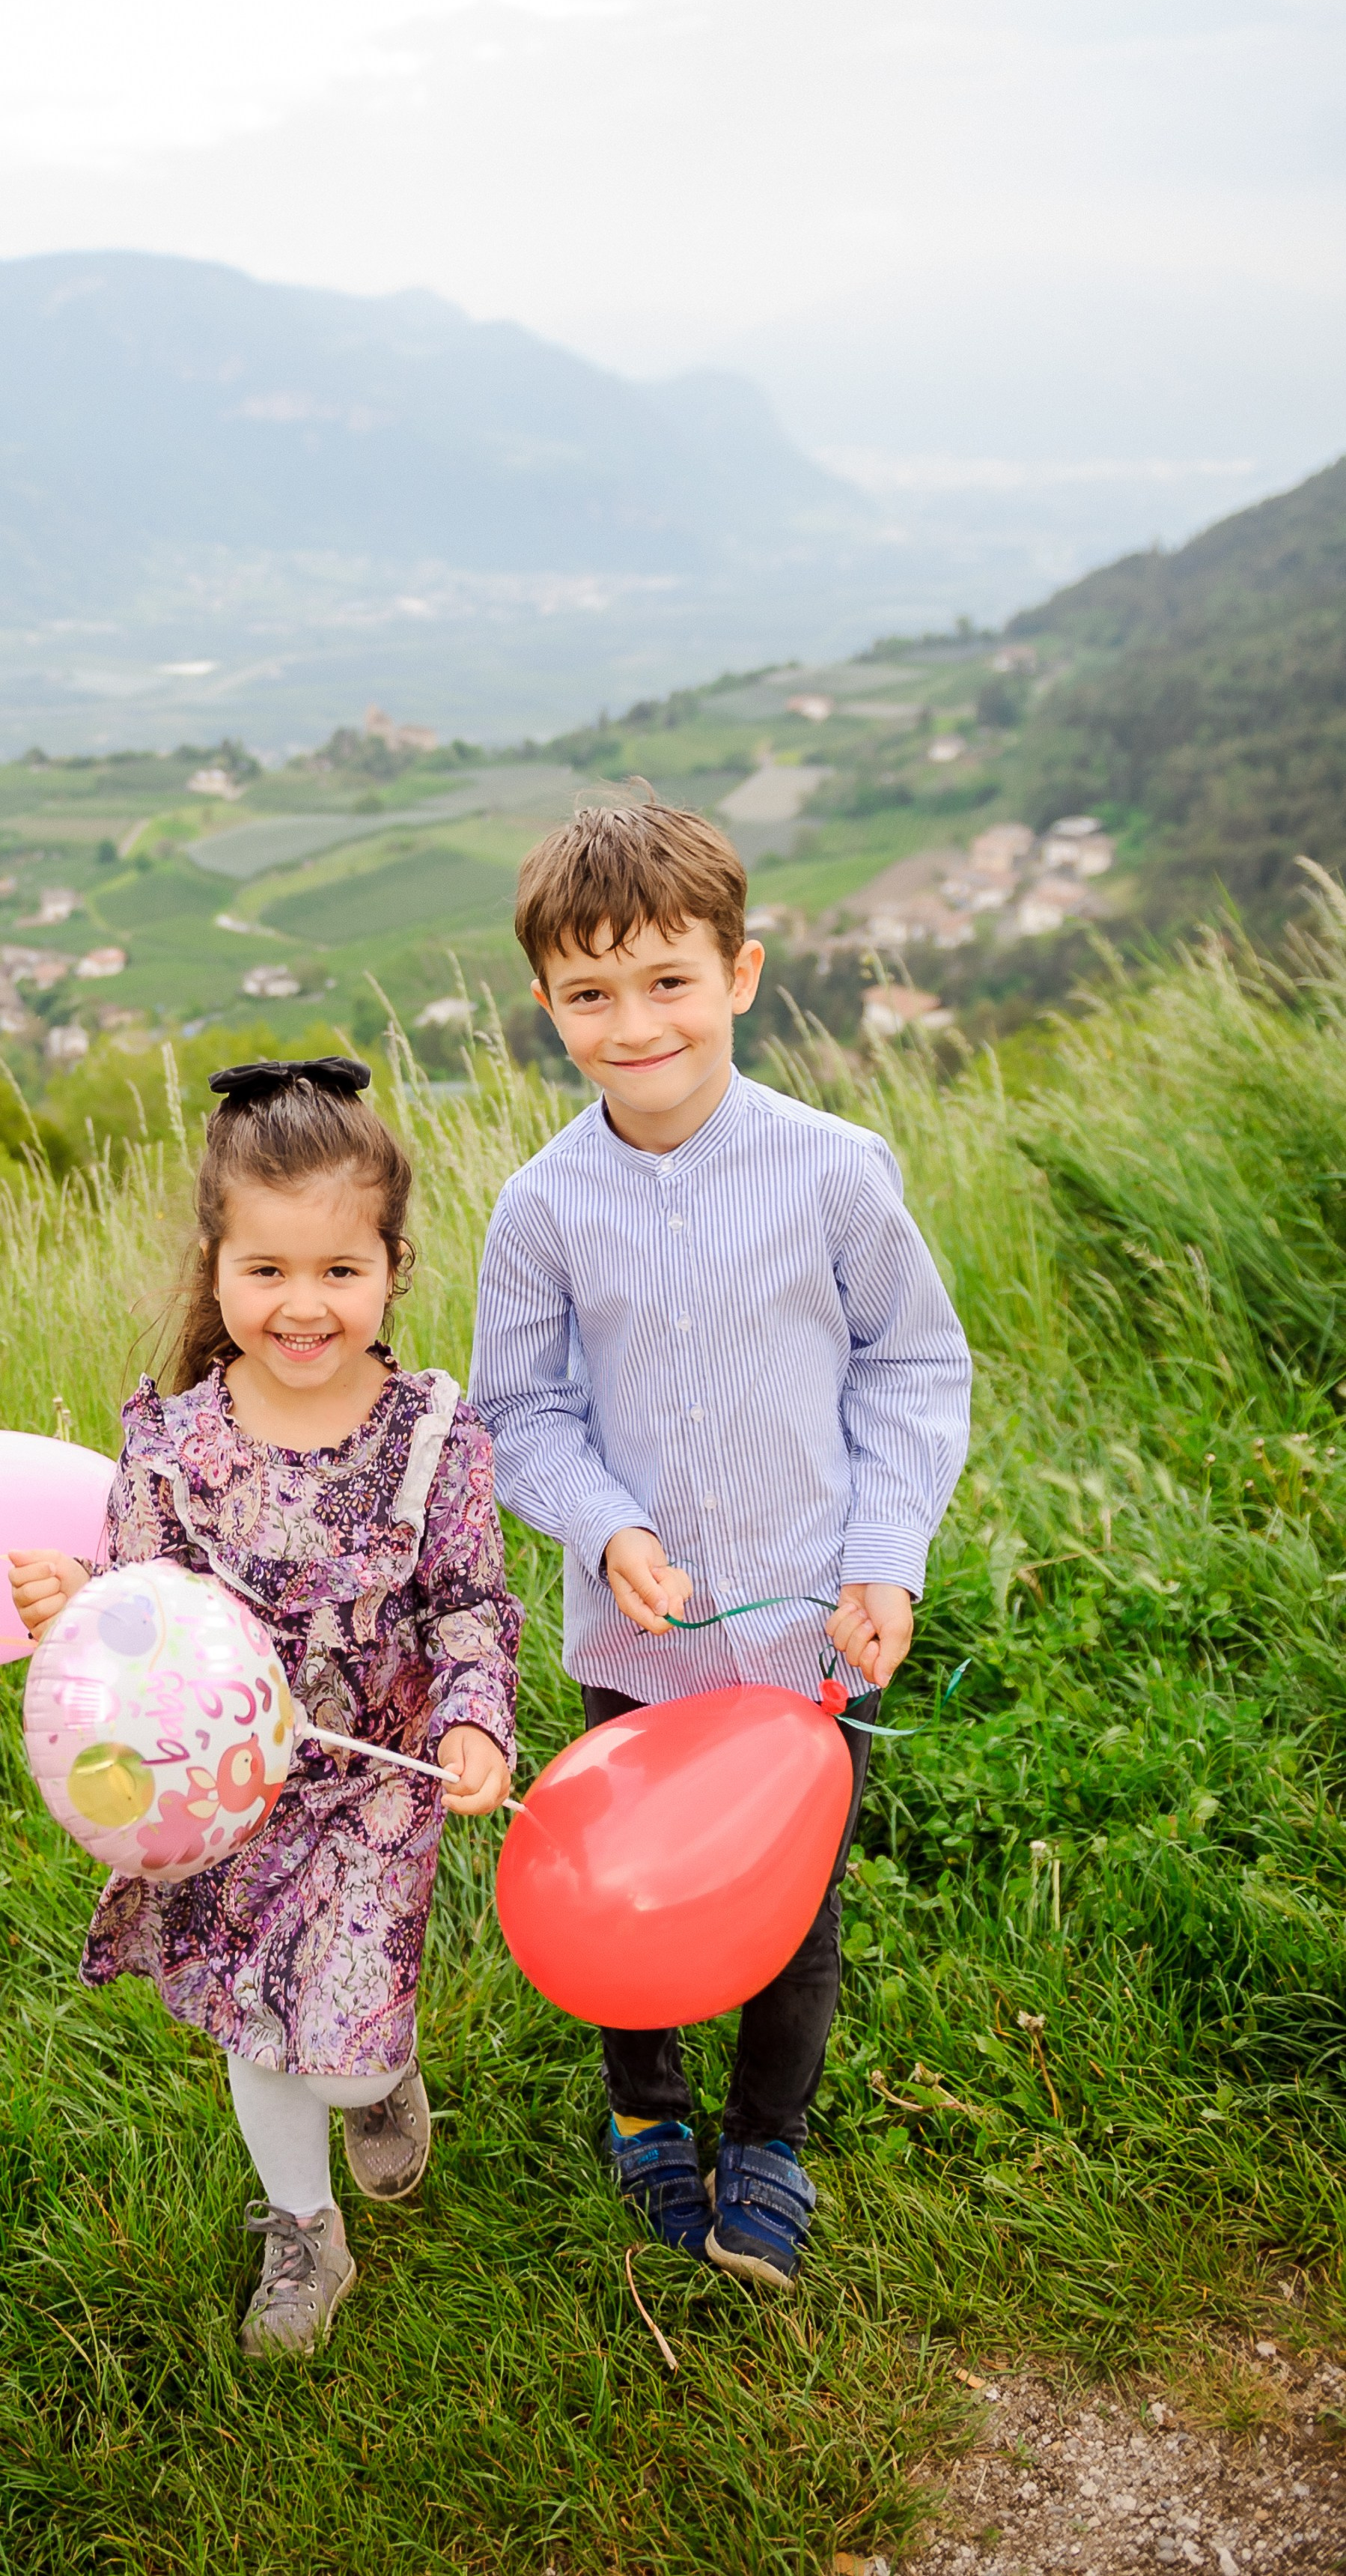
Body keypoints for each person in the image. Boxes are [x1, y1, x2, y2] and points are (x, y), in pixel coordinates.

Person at [469, 789, 970, 2290]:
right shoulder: (542, 1204)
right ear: (548, 1003)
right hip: (640, 1641)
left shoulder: (831, 1166)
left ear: (740, 976)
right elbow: (518, 1409)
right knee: (627, 1884)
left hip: (814, 1633)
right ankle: (646, 2105)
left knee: (791, 1908)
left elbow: (913, 1362)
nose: (637, 1022)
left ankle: (766, 2135)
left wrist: (887, 1556)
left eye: (670, 980)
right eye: (592, 992)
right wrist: (606, 1521)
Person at [10, 1057, 519, 2359]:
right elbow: (137, 1617)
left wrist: (473, 1719)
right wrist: (75, 1599)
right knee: (254, 2020)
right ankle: (304, 2227)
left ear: (394, 1266)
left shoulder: (431, 1438)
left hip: (371, 1788)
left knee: (337, 2050)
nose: (303, 1307)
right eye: (268, 1273)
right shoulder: (172, 1445)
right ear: (217, 1267)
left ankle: (380, 2074)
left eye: (339, 1273)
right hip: (219, 1796)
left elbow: (466, 1601)